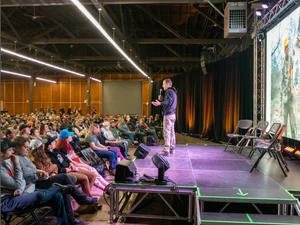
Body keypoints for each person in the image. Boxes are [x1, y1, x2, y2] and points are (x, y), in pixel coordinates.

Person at [0, 138, 85, 225]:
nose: (12, 151)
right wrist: (17, 165)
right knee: (40, 194)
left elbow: (22, 180)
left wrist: (20, 190)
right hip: (7, 201)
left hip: (22, 191)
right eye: (10, 150)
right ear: (1, 153)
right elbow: (18, 183)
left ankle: (65, 222)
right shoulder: (11, 162)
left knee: (57, 196)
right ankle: (58, 187)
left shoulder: (8, 162)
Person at [151, 78, 177, 156]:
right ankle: (172, 148)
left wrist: (160, 103)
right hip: (172, 114)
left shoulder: (169, 91)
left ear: (168, 84)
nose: (162, 86)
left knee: (166, 133)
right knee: (172, 132)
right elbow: (170, 101)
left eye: (164, 84)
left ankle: (166, 150)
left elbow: (168, 102)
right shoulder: (173, 92)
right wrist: (162, 100)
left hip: (168, 115)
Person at [281, 38, 297, 139]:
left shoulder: (292, 60)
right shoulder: (283, 62)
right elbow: (283, 81)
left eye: (288, 48)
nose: (287, 50)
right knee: (284, 122)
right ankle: (284, 142)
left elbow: (295, 67)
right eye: (286, 49)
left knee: (292, 120)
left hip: (291, 97)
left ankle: (294, 138)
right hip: (284, 98)